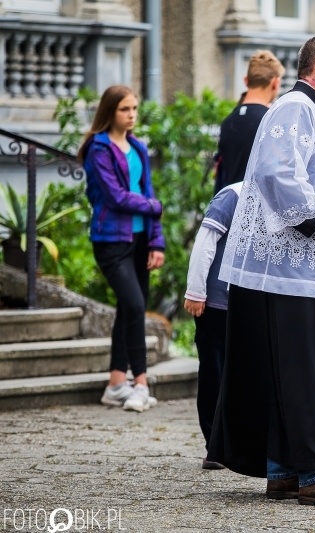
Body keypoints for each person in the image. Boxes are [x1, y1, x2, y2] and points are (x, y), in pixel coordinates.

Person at [207, 34, 315, 507]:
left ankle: (284, 471)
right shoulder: (294, 108)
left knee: (293, 371)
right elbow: (276, 171)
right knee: (311, 370)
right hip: (292, 269)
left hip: (302, 271)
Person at [79, 85, 166, 413]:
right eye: (124, 110)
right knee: (133, 304)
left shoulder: (137, 148)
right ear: (109, 112)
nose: (131, 115)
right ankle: (140, 383)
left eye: (134, 109)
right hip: (111, 240)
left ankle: (116, 383)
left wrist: (156, 241)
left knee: (131, 307)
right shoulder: (97, 149)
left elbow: (148, 193)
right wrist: (153, 205)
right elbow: (115, 196)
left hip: (141, 239)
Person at [183, 182, 242, 470]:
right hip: (216, 303)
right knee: (213, 372)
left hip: (248, 304)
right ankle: (214, 446)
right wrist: (195, 291)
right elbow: (205, 241)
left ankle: (239, 444)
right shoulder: (234, 194)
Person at [214, 50, 285, 194]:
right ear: (275, 83)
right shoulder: (272, 121)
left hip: (231, 206)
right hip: (259, 209)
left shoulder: (228, 122)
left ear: (246, 81)